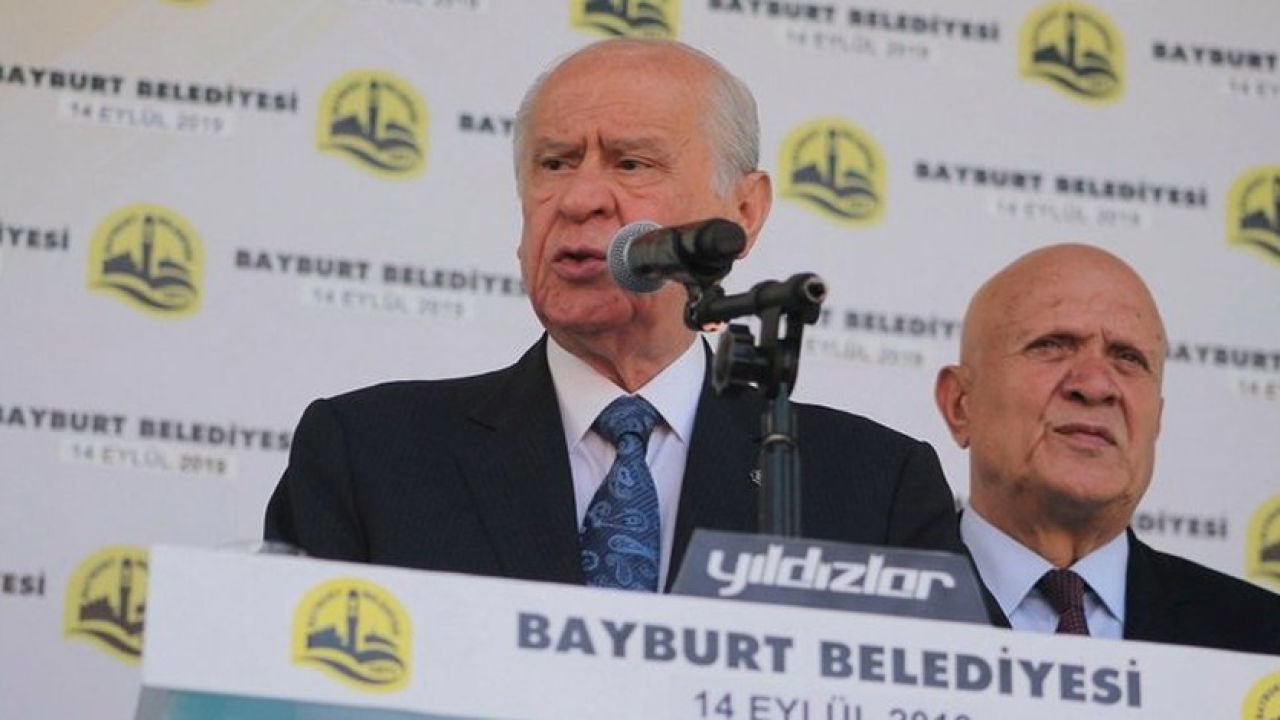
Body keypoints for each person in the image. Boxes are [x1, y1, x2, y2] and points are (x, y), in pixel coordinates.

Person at [265, 38, 961, 592]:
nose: (579, 200)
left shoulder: (876, 489)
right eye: (555, 164)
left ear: (744, 211)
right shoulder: (369, 454)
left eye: (631, 164)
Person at [935, 243, 1280, 654]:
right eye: (1051, 345)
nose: (1096, 385)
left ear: (1157, 420)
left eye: (1128, 358)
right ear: (960, 404)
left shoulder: (1262, 641)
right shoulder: (871, 611)